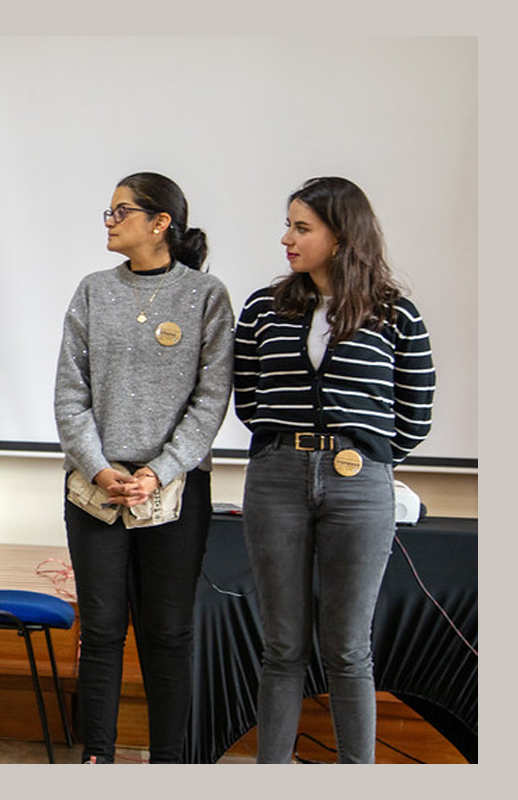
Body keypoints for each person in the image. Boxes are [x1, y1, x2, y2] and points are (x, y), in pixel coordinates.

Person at [234, 176, 436, 763]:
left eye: (302, 228)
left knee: (348, 648)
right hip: (276, 478)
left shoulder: (396, 314)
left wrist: (360, 456)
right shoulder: (262, 308)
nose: (286, 239)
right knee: (282, 646)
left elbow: (414, 413)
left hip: (361, 486)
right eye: (288, 225)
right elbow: (250, 399)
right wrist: (294, 445)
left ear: (343, 237)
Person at [54, 172, 234, 764]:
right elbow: (69, 393)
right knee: (102, 631)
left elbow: (212, 399)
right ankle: (97, 757)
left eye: (121, 212)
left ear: (160, 223)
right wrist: (102, 469)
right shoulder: (92, 291)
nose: (109, 221)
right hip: (95, 488)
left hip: (176, 491)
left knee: (168, 633)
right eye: (107, 212)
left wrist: (160, 470)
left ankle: (169, 763)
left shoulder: (205, 295)